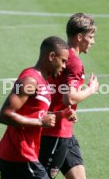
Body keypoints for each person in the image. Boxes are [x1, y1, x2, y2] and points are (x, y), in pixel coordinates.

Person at [0, 36, 76, 179]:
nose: (64, 66)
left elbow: (35, 113)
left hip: (16, 155)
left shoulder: (42, 81)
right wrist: (40, 123)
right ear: (51, 56)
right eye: (63, 61)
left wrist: (60, 114)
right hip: (20, 155)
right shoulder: (29, 81)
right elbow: (4, 115)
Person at [39, 13, 99, 179]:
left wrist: (69, 110)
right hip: (55, 132)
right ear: (80, 37)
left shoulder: (60, 55)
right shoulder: (74, 62)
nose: (93, 42)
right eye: (91, 37)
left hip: (64, 128)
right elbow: (69, 98)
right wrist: (91, 89)